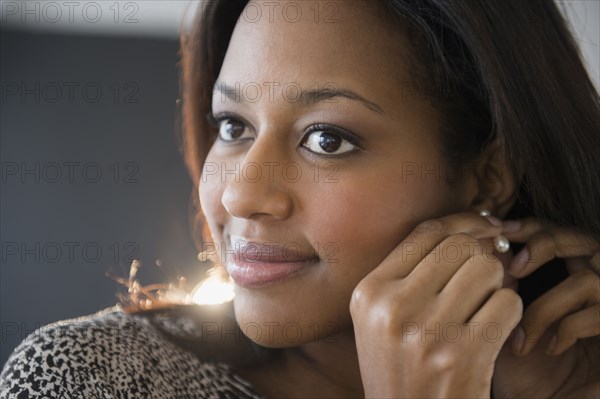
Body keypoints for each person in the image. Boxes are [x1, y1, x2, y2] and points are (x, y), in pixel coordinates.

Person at [1, 0, 599, 397]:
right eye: (233, 126)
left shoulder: (568, 373)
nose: (242, 194)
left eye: (326, 138)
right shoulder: (85, 378)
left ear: (488, 173)